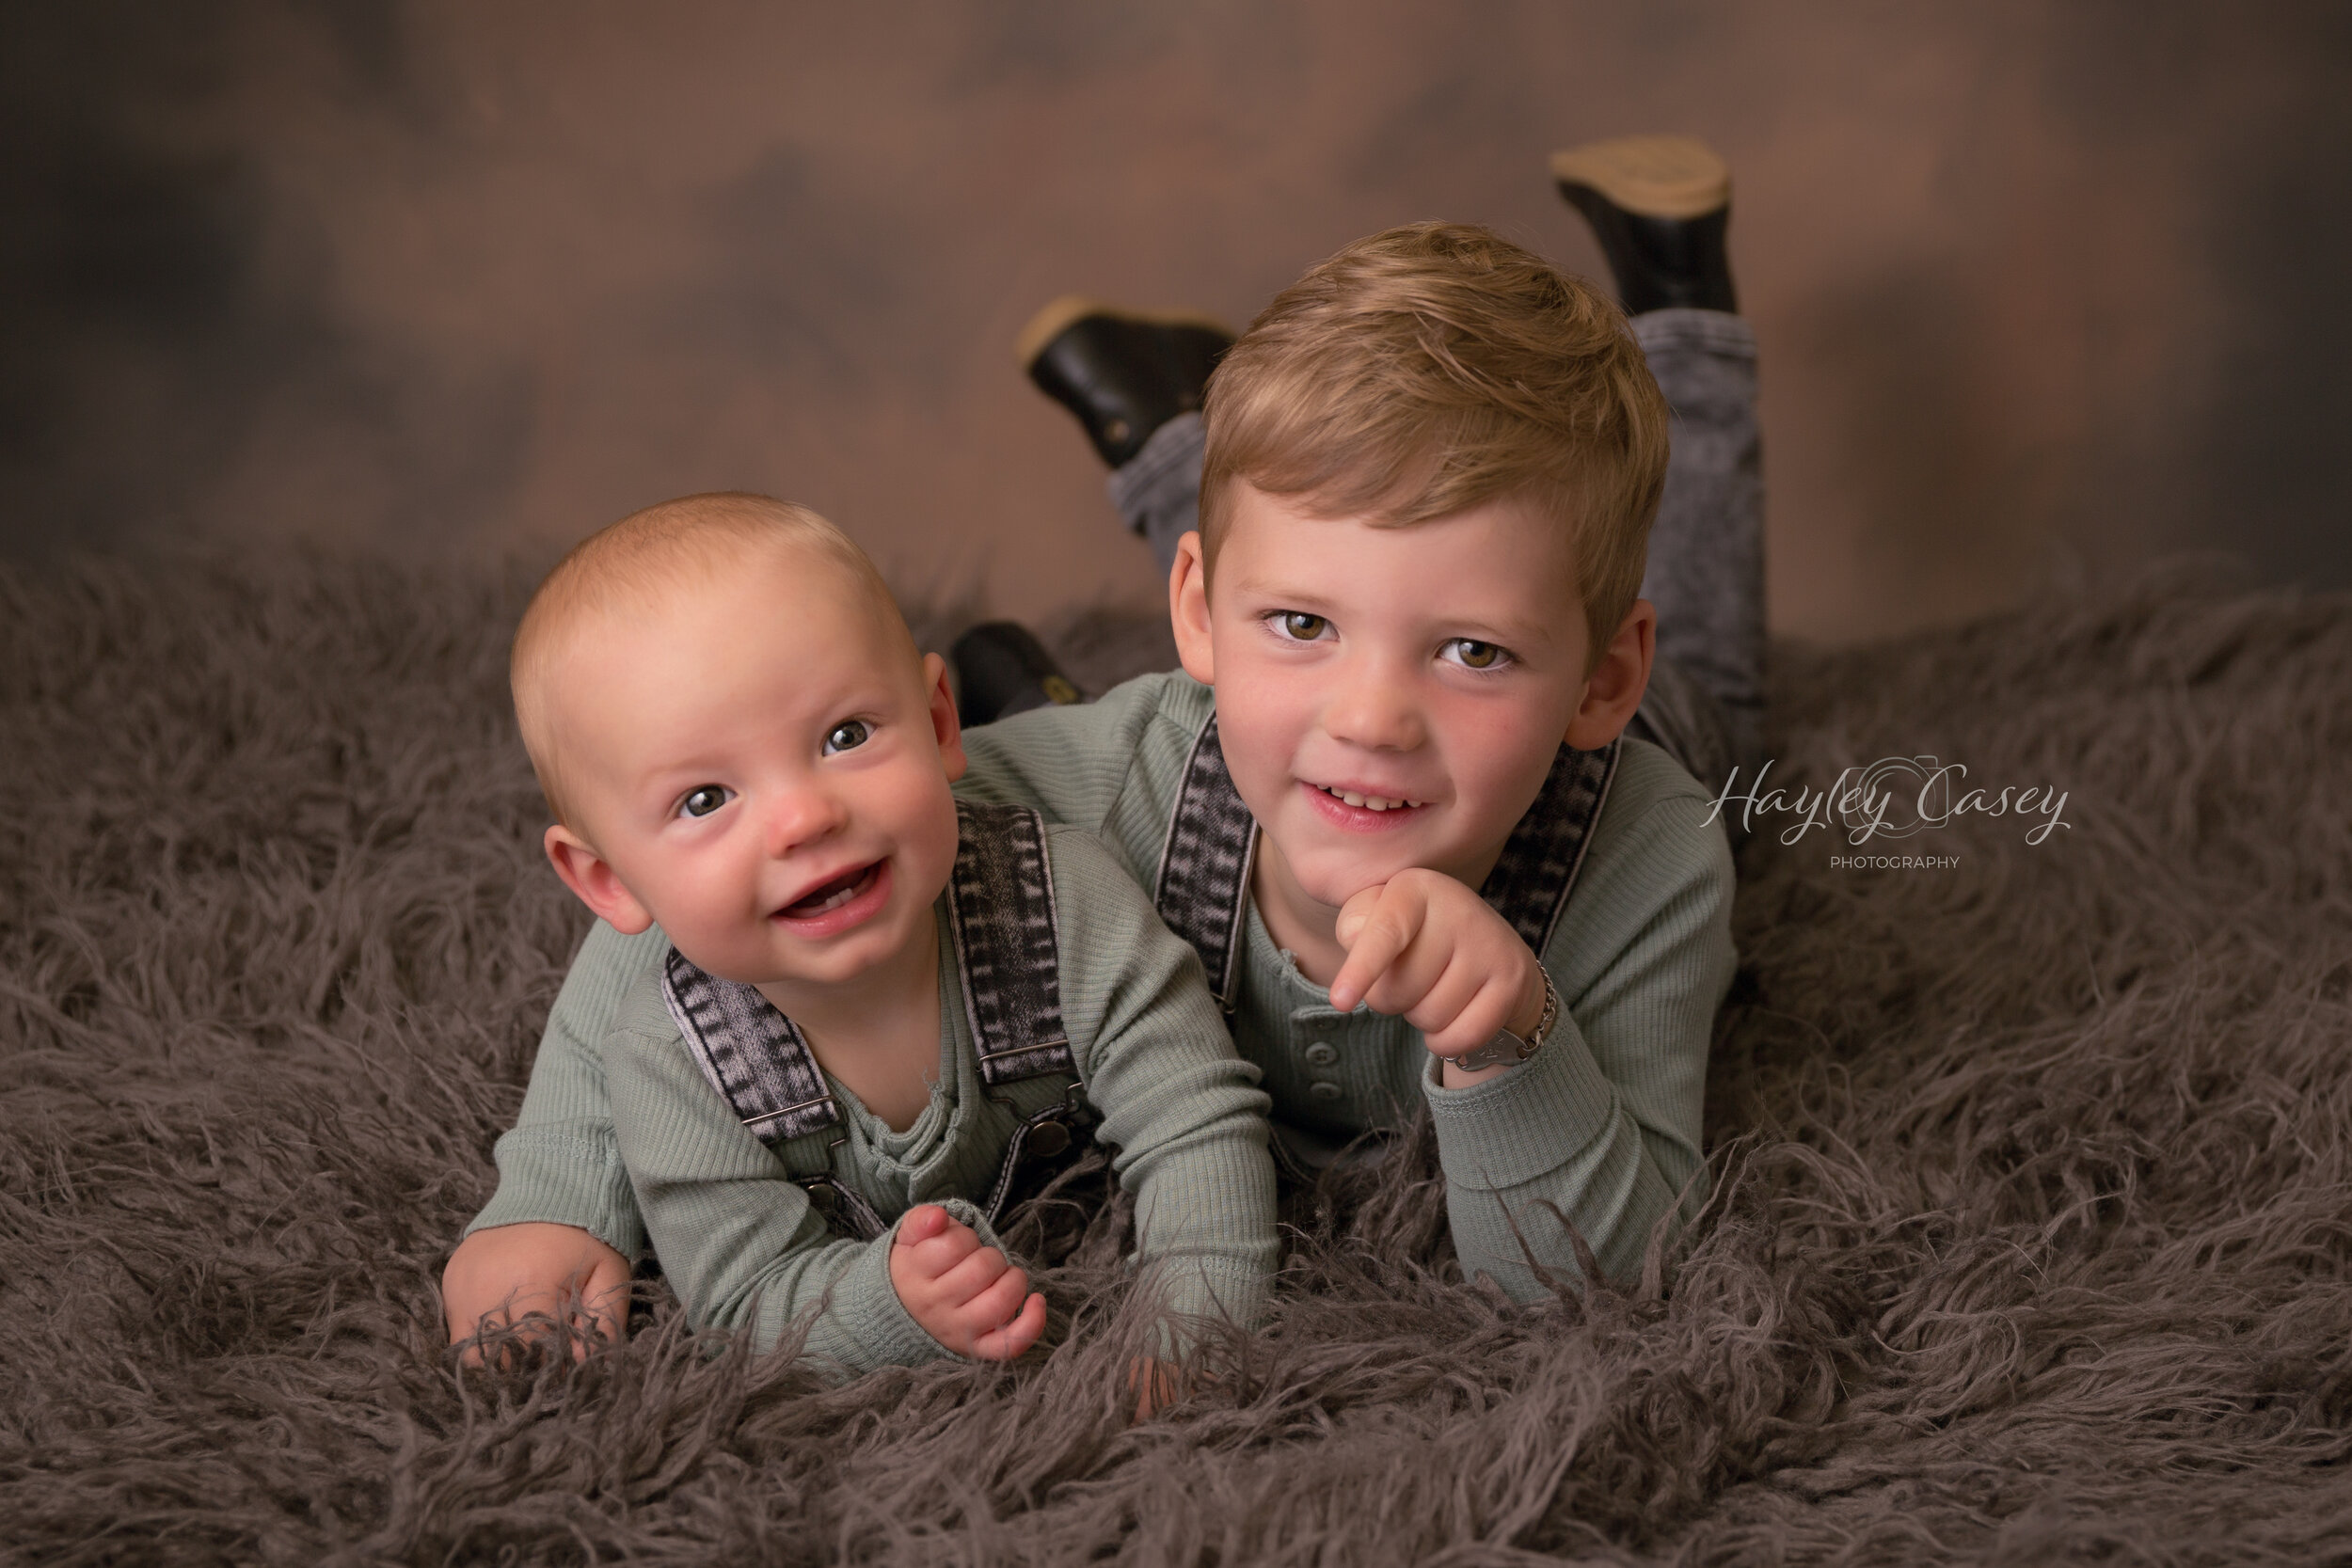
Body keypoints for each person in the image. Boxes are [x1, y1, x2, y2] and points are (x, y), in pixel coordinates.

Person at [442, 134, 1762, 1348]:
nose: (1370, 720)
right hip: (1149, 700)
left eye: (1475, 651)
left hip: (1650, 739)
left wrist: (1512, 1033)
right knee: (1194, 669)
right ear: (1193, 609)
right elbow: (699, 906)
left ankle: (1678, 297)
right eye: (1298, 622)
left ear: (1594, 681)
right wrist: (555, 1185)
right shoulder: (1133, 779)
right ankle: (1098, 602)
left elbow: (1605, 1285)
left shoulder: (1645, 859)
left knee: (1729, 706)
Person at [483, 493, 1277, 1376]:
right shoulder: (670, 1066)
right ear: (608, 880)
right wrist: (885, 1305)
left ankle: (1017, 675)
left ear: (939, 725)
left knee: (1049, 728)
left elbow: (1196, 1117)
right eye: (706, 798)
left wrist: (1195, 1331)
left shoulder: (1061, 890)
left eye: (844, 734)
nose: (803, 817)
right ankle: (978, 682)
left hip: (1087, 756)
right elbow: (747, 1300)